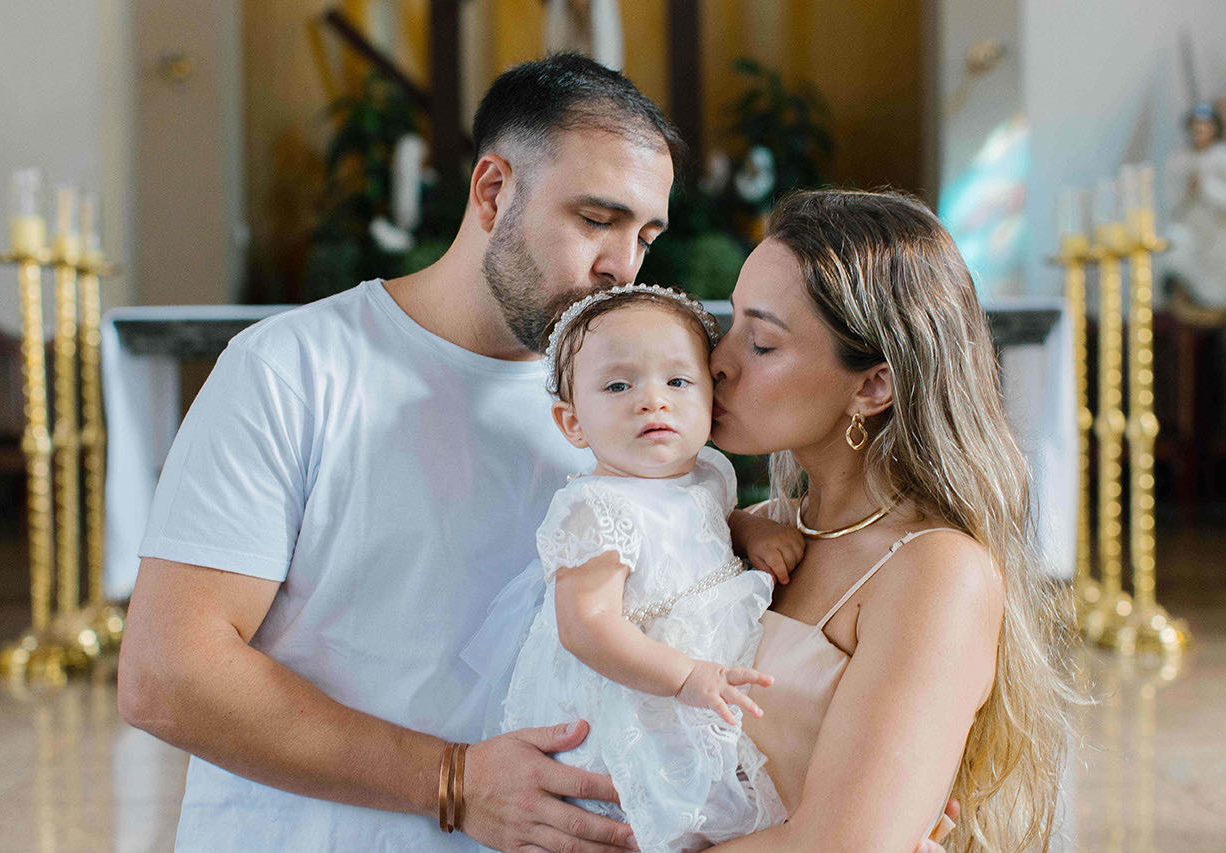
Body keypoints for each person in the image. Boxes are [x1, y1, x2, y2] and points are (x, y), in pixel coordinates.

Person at [116, 54, 681, 853]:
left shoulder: (622, 405)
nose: (621, 267)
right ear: (493, 192)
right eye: (596, 220)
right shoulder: (294, 367)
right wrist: (452, 781)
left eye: (644, 236)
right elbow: (168, 673)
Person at [707, 189, 1073, 851]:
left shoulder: (935, 571)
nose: (717, 362)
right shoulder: (749, 525)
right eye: (729, 323)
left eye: (761, 343)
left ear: (872, 385)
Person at [470, 284, 790, 852]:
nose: (652, 400)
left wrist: (749, 528)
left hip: (698, 690)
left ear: (710, 402)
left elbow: (708, 518)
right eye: (619, 386)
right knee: (637, 819)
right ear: (573, 424)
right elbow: (586, 627)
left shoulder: (710, 473)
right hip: (634, 695)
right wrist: (684, 676)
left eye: (678, 381)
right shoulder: (597, 508)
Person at [1164, 102, 1226, 313]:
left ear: (1214, 128)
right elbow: (1172, 202)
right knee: (1176, 244)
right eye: (1196, 125)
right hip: (1192, 228)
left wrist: (1206, 184)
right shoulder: (1180, 159)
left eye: (1205, 125)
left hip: (1216, 235)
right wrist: (1189, 189)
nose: (1199, 131)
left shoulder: (1225, 156)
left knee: (1217, 296)